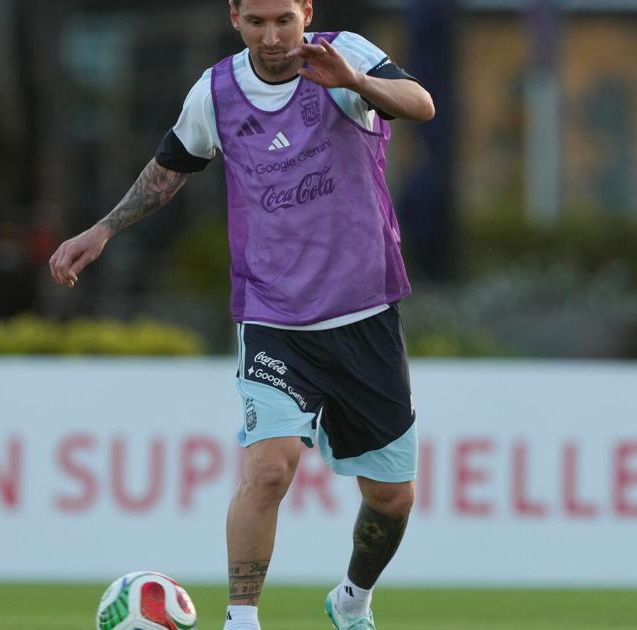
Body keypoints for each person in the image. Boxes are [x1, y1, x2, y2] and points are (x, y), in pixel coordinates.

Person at [49, 0, 433, 628]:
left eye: (285, 18)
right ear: (235, 18)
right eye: (257, 22)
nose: (273, 36)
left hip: (364, 314)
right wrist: (103, 230)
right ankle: (241, 619)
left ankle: (352, 600)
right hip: (274, 317)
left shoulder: (347, 56)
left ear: (306, 11)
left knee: (391, 498)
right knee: (268, 468)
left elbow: (420, 104)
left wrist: (355, 83)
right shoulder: (218, 91)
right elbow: (169, 168)